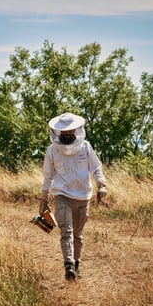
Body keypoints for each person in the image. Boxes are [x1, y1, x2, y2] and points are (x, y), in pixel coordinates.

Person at [39, 112, 107, 281]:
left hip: (83, 197)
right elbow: (47, 176)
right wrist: (43, 198)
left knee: (77, 233)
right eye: (64, 131)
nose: (68, 133)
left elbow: (96, 168)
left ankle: (76, 264)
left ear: (76, 130)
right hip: (62, 195)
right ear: (58, 132)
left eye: (70, 130)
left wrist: (101, 184)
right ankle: (68, 264)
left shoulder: (85, 147)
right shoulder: (52, 150)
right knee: (66, 231)